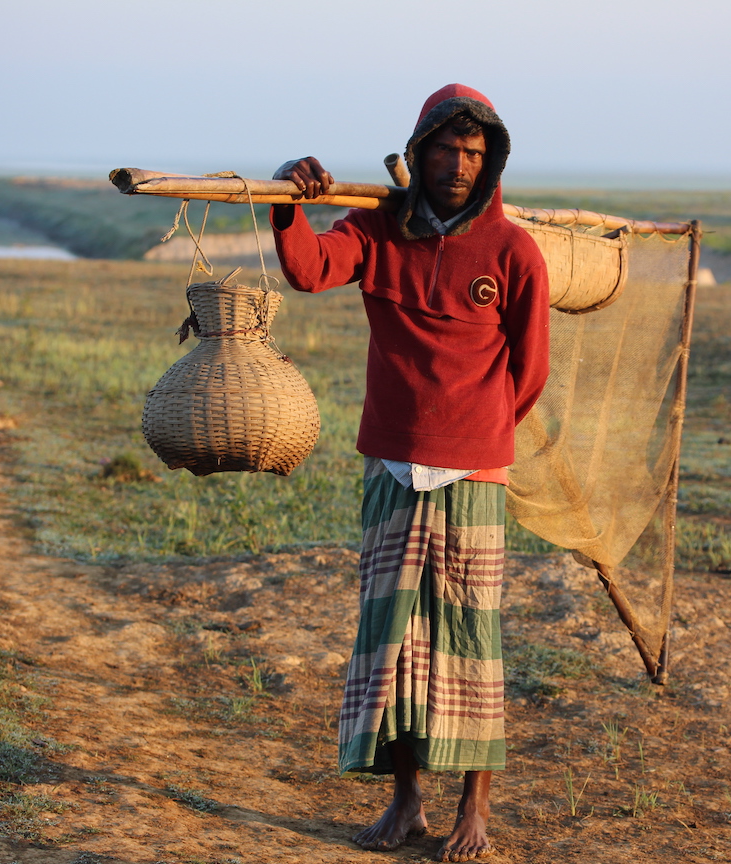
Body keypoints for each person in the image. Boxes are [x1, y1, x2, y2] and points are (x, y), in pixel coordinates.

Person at [270, 83, 550, 861]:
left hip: (475, 475)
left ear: (489, 162)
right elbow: (306, 268)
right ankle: (405, 802)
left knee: (470, 639)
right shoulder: (376, 233)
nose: (458, 165)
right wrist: (289, 192)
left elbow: (528, 375)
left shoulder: (514, 253)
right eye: (445, 150)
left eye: (473, 153)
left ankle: (476, 811)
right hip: (391, 465)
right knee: (392, 639)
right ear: (419, 150)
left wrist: (476, 431)